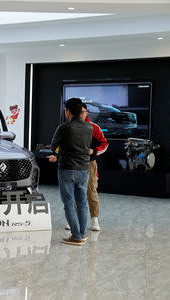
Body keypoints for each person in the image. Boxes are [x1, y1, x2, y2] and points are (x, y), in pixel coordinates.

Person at [47, 98, 93, 246]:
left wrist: (58, 152)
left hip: (67, 169)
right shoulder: (89, 128)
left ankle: (76, 236)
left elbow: (53, 146)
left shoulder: (64, 128)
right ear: (81, 112)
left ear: (68, 111)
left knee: (68, 204)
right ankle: (82, 234)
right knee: (82, 203)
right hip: (84, 170)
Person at [81, 103, 108, 231]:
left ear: (87, 112)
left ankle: (94, 219)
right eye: (79, 111)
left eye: (83, 111)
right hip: (73, 164)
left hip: (90, 164)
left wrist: (94, 151)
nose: (81, 114)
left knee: (91, 190)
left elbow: (104, 144)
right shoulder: (68, 128)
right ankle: (73, 219)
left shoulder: (94, 127)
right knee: (75, 191)